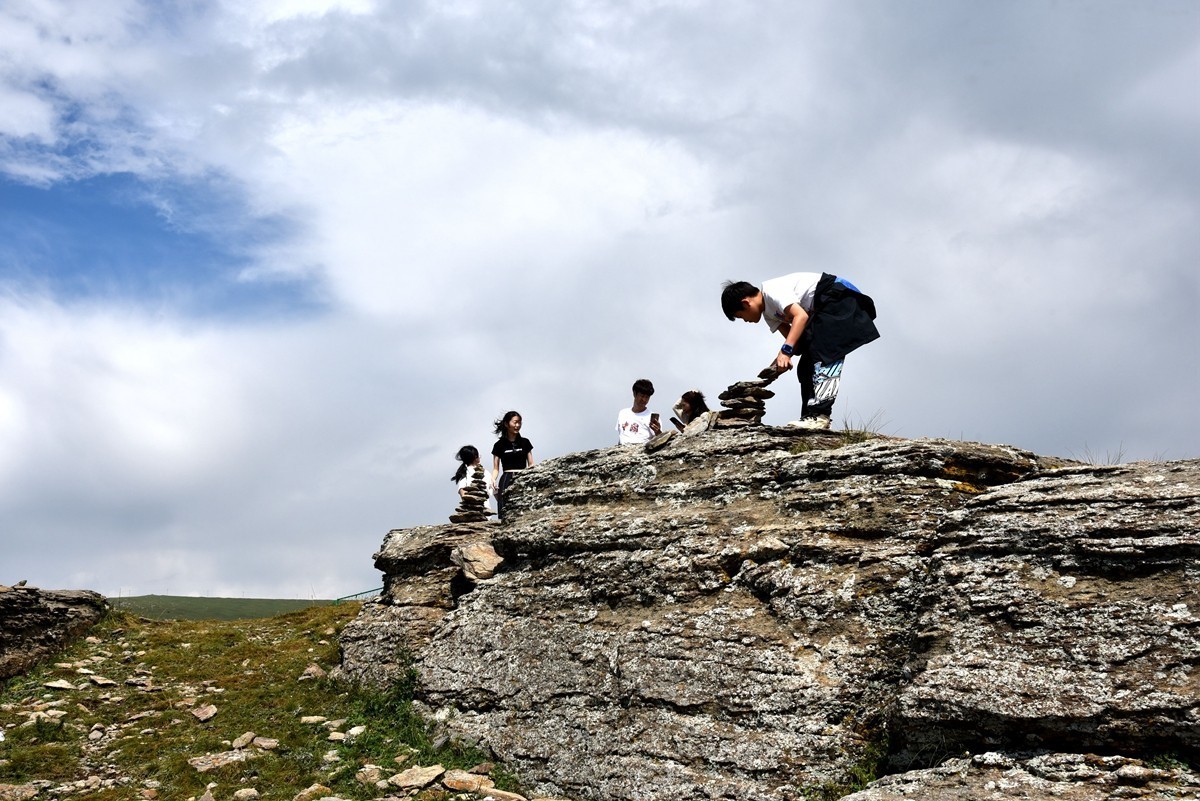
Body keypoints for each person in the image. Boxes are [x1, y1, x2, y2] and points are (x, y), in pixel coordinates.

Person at [721, 273, 879, 429]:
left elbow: (801, 317)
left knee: (823, 354)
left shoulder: (771, 291)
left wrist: (785, 352)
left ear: (746, 303)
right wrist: (776, 368)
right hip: (824, 309)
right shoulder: (769, 315)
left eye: (740, 316)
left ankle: (819, 415)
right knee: (806, 365)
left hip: (839, 297)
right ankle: (809, 417)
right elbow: (798, 343)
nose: (745, 321)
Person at [491, 411, 534, 521]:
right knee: (506, 512)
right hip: (506, 479)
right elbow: (496, 468)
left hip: (523, 477)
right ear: (506, 424)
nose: (517, 425)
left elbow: (531, 464)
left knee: (526, 511)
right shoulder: (499, 445)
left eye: (520, 423)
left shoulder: (525, 442)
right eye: (515, 422)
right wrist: (493, 480)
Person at [616, 378, 662, 445]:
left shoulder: (650, 416)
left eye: (647, 397)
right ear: (634, 394)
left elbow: (660, 439)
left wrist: (657, 431)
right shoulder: (623, 413)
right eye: (642, 396)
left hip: (641, 452)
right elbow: (621, 435)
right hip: (622, 452)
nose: (644, 400)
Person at [451, 445, 493, 509]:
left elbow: (462, 493)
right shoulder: (486, 473)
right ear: (476, 457)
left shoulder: (464, 473)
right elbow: (494, 490)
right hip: (485, 507)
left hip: (470, 510)